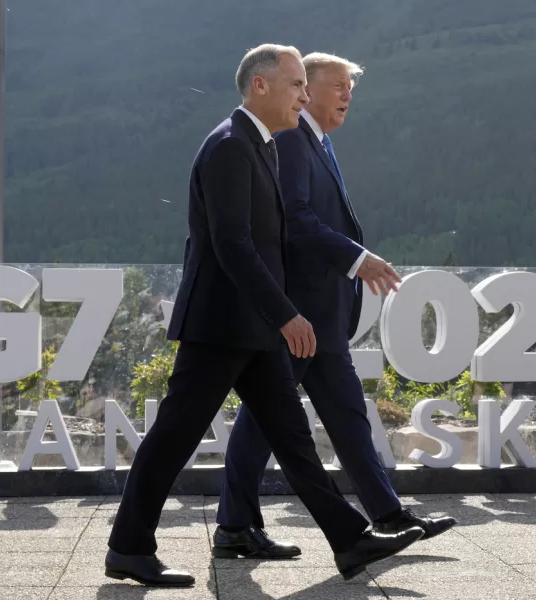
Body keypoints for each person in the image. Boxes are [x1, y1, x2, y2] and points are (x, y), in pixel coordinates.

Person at [104, 44, 424, 588]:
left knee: (294, 439)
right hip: (221, 327)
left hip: (250, 329)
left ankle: (349, 540)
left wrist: (277, 316)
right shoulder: (230, 146)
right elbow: (232, 245)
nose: (304, 94)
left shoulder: (263, 146)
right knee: (173, 438)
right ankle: (129, 548)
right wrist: (287, 315)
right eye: (298, 84)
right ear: (260, 86)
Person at [214, 52, 457, 560]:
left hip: (321, 317)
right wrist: (357, 258)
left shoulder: (314, 142)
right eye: (337, 86)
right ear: (308, 90)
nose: (347, 95)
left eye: (351, 87)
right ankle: (234, 526)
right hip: (297, 316)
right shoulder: (292, 140)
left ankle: (388, 514)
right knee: (262, 422)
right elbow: (296, 221)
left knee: (348, 417)